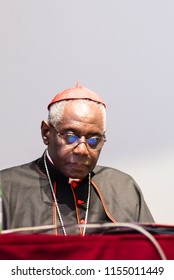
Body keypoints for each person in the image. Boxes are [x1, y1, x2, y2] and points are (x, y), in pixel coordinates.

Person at [0, 83, 154, 235]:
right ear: (46, 133)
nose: (82, 150)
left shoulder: (123, 187)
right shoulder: (6, 187)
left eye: (93, 140)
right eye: (70, 137)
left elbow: (152, 254)